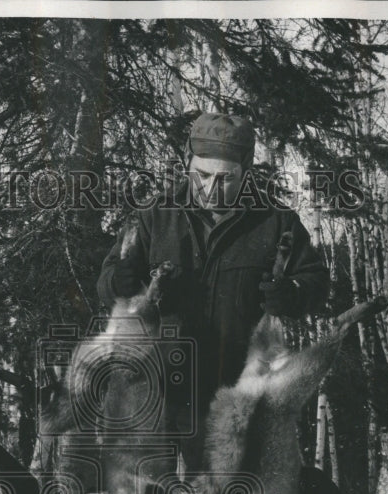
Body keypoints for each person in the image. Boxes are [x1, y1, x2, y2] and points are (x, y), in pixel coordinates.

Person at [96, 112, 330, 468]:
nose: (209, 187)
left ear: (246, 170)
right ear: (188, 160)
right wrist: (120, 282)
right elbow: (108, 281)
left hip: (229, 395)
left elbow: (315, 284)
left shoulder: (276, 223)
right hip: (156, 392)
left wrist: (291, 293)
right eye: (201, 174)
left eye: (225, 178)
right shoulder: (155, 217)